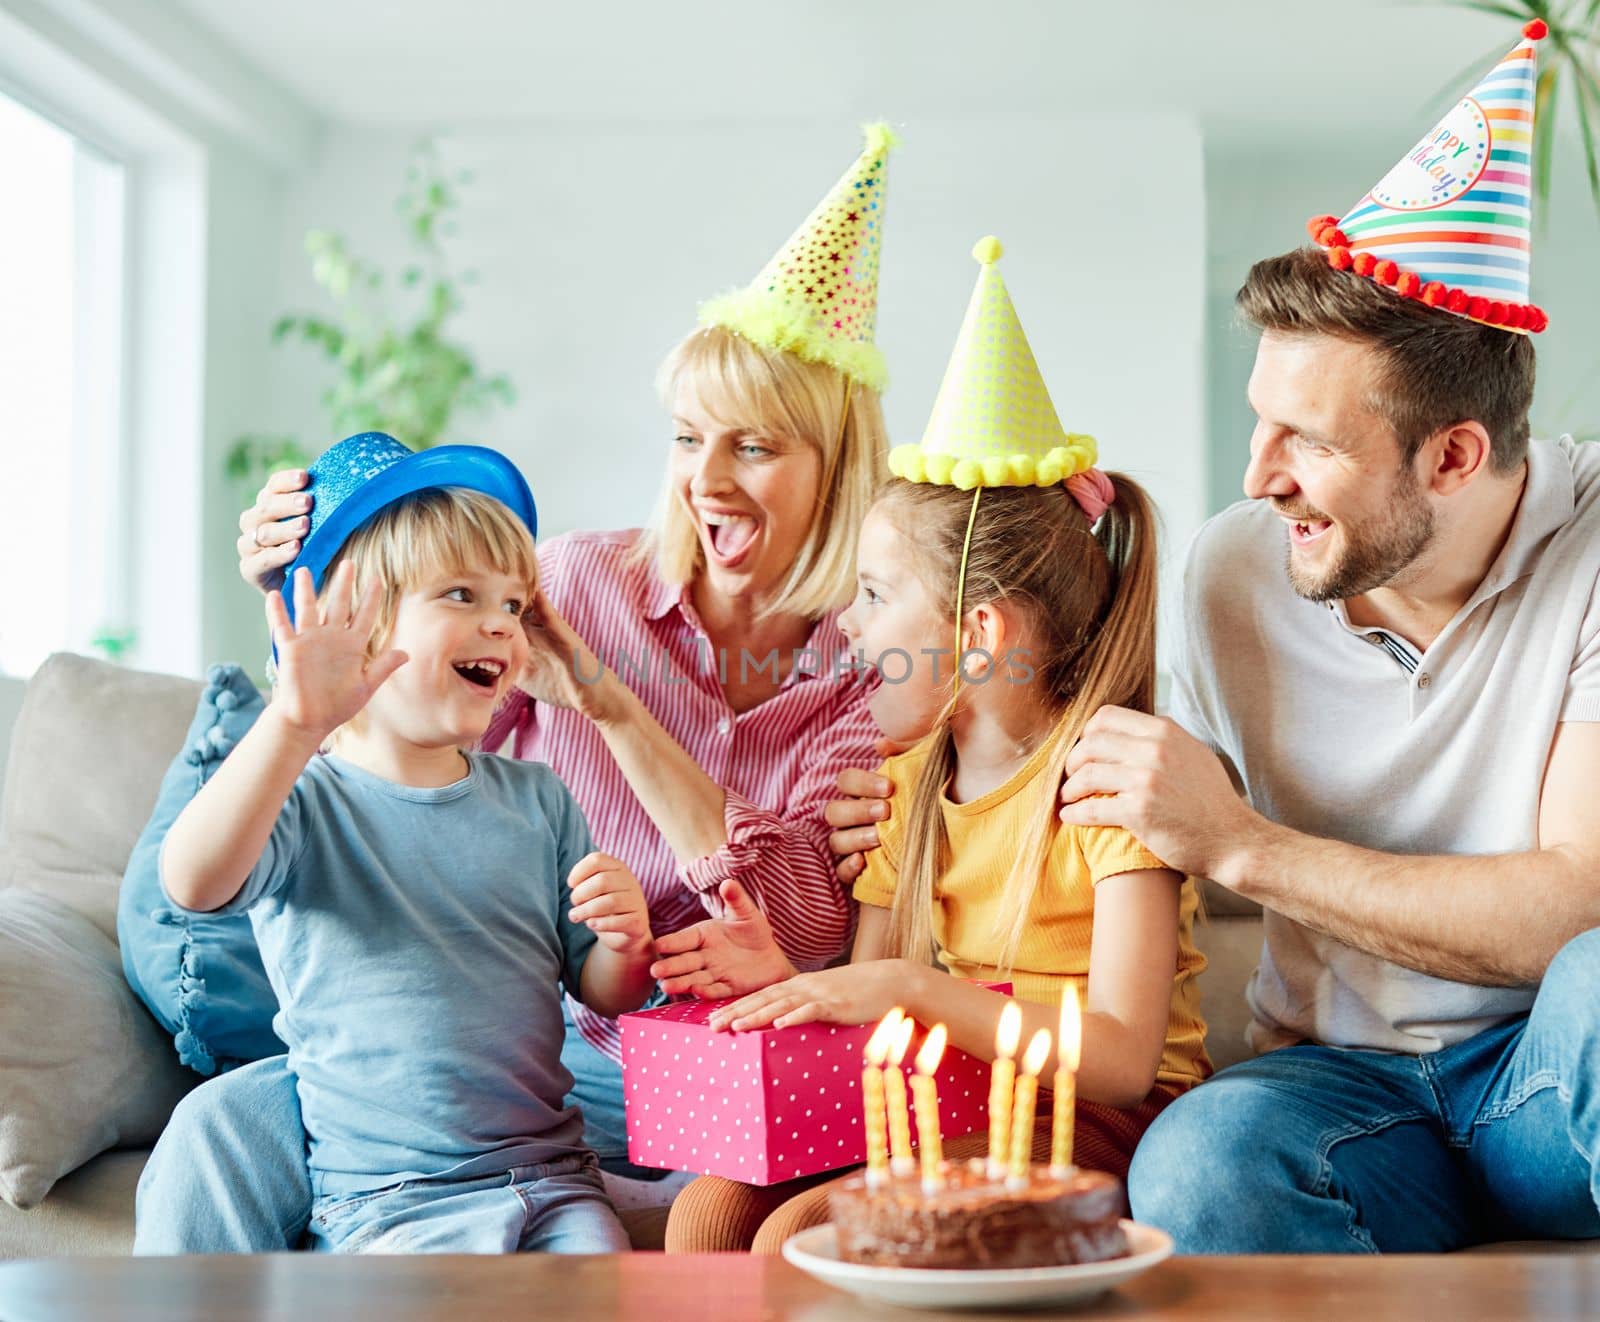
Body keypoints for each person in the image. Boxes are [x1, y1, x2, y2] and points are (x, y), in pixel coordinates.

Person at [838, 23, 1600, 1254]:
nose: (1258, 477)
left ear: (1453, 455)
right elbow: (1075, 784)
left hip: (1550, 1085)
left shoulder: (1594, 552)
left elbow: (1572, 907)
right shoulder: (1238, 568)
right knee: (1194, 1168)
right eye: (1259, 423)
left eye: (1307, 440)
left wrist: (1242, 844)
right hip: (1341, 1095)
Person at [124, 126, 898, 1251]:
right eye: (688, 437)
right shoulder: (574, 580)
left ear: (834, 467)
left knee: (735, 1192)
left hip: (717, 1070)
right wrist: (298, 584)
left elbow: (789, 922)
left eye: (757, 447)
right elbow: (404, 694)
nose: (706, 478)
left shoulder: (864, 675)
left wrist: (610, 704)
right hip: (538, 1049)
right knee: (223, 1123)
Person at [660, 239, 1210, 1253]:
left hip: (1085, 1124)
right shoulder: (905, 786)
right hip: (934, 1107)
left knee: (800, 1231)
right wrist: (780, 971)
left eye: (874, 597)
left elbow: (1128, 1061)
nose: (851, 628)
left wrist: (915, 988)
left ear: (980, 632)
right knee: (706, 1211)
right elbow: (875, 1004)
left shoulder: (1110, 785)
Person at [157, 447, 655, 1253]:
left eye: (514, 603)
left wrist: (628, 946)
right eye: (461, 595)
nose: (500, 622)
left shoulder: (539, 799)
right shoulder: (307, 799)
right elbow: (192, 882)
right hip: (392, 1200)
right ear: (358, 625)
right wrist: (292, 721)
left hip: (556, 1183)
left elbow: (602, 990)